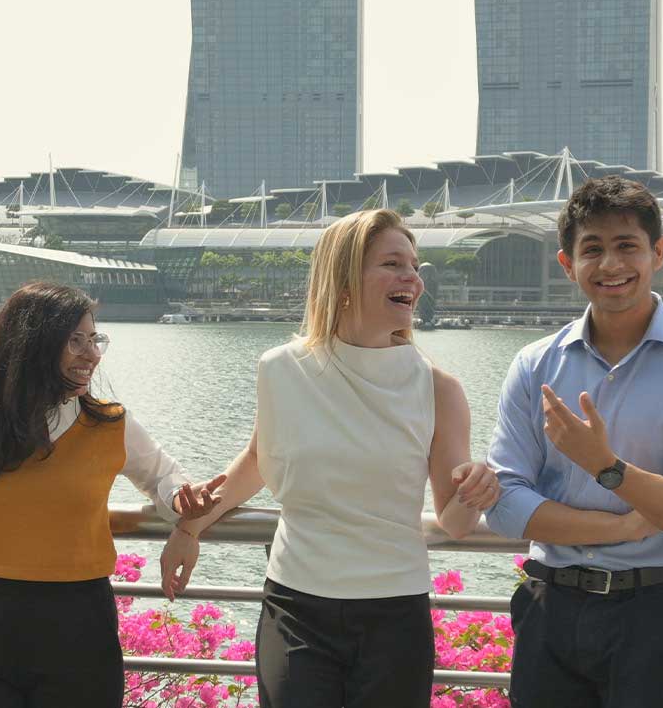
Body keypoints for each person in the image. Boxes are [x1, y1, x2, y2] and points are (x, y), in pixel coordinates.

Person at [158, 208, 501, 708]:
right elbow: (257, 460)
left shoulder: (438, 389)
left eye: (415, 266)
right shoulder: (280, 369)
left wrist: (477, 488)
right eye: (392, 264)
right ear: (342, 279)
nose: (413, 278)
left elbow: (455, 521)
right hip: (296, 606)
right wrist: (188, 529)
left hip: (394, 613)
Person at [485, 176, 663, 707]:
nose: (610, 265)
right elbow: (506, 503)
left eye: (627, 246)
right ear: (567, 263)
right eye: (592, 249)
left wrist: (607, 467)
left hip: (656, 608)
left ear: (658, 252)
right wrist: (629, 525)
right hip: (549, 604)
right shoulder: (535, 365)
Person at [0, 281, 226, 707]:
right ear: (31, 345)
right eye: (75, 341)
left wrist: (182, 506)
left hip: (79, 624)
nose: (92, 354)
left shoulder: (111, 424)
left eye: (94, 339)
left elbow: (164, 476)